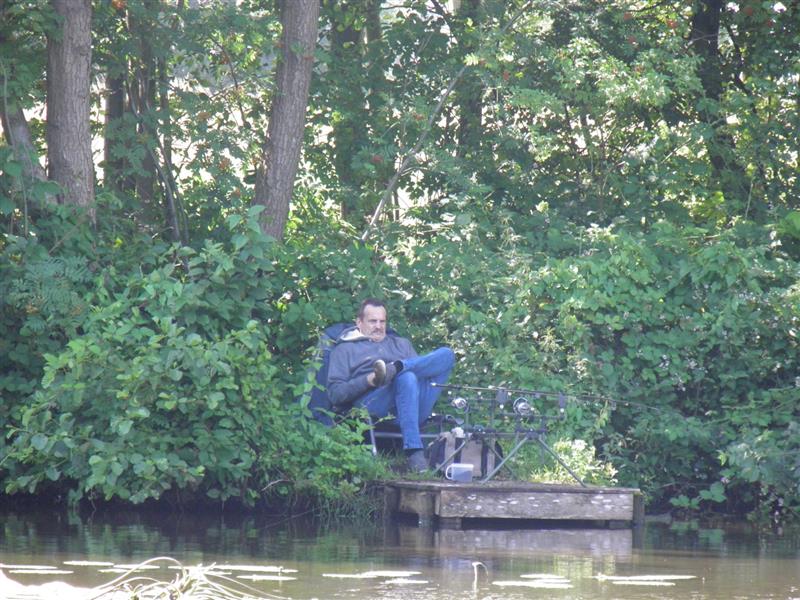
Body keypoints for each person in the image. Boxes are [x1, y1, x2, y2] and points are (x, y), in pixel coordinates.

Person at [327, 298, 455, 472]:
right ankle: (414, 451)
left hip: (413, 405)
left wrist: (396, 370)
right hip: (375, 404)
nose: (378, 326)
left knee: (447, 354)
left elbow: (422, 373)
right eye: (373, 321)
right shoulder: (344, 349)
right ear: (359, 322)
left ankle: (397, 367)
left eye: (382, 321)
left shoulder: (401, 344)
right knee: (407, 377)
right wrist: (369, 380)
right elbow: (335, 394)